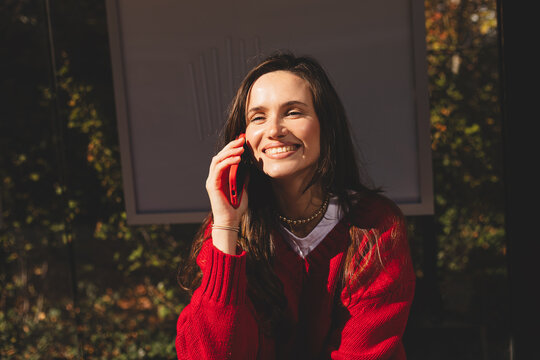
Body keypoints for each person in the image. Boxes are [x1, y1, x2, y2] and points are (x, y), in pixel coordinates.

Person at [176, 52, 415, 360]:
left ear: (326, 127)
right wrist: (225, 227)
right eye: (258, 117)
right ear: (242, 139)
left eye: (293, 112)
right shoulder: (229, 230)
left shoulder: (376, 226)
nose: (274, 130)